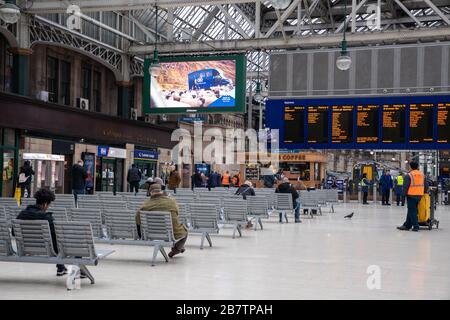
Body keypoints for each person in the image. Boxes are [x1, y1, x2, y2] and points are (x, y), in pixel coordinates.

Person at [15, 188, 81, 277]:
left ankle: (61, 268)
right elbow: (58, 234)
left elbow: (13, 232)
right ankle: (80, 270)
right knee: (74, 243)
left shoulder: (21, 215)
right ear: (45, 204)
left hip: (26, 249)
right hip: (48, 250)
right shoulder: (46, 217)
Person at [136, 184, 188, 257]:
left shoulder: (145, 205)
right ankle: (176, 249)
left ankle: (179, 248)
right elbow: (177, 213)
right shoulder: (171, 201)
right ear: (161, 191)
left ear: (150, 193)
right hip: (170, 233)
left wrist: (140, 234)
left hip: (151, 233)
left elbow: (138, 219)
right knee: (185, 231)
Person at [397, 161, 427, 232]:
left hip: (411, 195)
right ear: (417, 167)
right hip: (419, 195)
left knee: (412, 211)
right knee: (411, 210)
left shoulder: (409, 175)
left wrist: (403, 196)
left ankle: (416, 226)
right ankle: (407, 225)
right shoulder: (422, 175)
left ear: (410, 167)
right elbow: (426, 185)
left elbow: (405, 187)